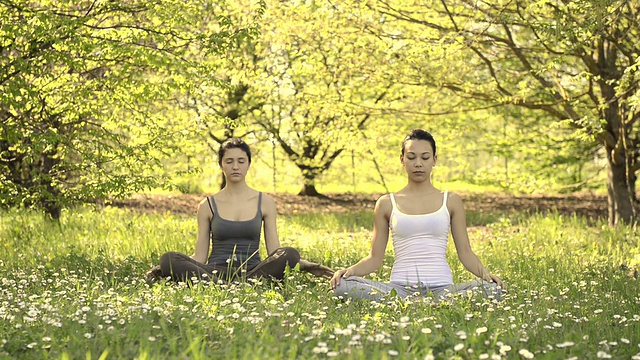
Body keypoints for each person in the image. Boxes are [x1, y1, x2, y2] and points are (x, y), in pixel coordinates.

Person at [329, 129, 504, 302]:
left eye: (425, 157)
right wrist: (348, 272)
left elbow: (465, 252)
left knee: (493, 290)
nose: (418, 163)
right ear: (402, 159)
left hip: (442, 289)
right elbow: (375, 258)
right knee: (342, 286)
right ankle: (424, 304)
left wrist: (486, 276)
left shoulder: (450, 200)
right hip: (398, 290)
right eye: (411, 157)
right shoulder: (386, 203)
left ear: (434, 160)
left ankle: (421, 304)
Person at [147, 137, 333, 283]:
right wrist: (166, 266)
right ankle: (234, 285)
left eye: (241, 161)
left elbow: (275, 252)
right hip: (215, 271)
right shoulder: (207, 205)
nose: (235, 166)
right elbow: (200, 257)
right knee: (168, 258)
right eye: (229, 161)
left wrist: (304, 264)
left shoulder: (265, 202)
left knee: (290, 253)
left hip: (254, 270)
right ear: (221, 165)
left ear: (248, 164)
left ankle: (229, 286)